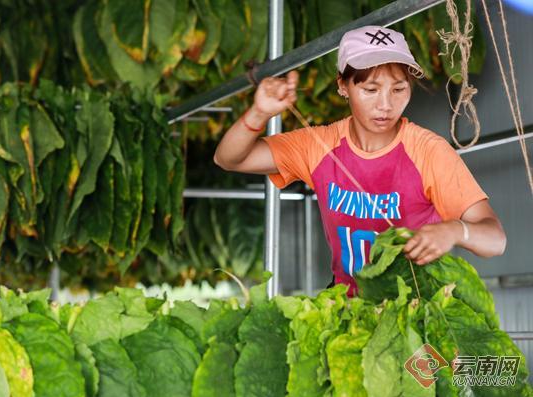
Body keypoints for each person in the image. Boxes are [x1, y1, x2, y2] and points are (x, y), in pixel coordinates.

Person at [213, 25, 506, 296]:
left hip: (416, 311)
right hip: (348, 309)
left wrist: (455, 230)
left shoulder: (428, 151)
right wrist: (259, 113)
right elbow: (229, 159)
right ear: (343, 85)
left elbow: (495, 239)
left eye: (399, 89)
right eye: (370, 90)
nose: (385, 105)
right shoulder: (319, 145)